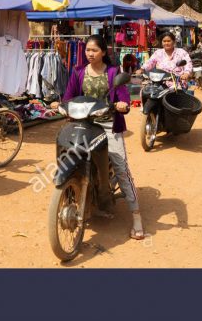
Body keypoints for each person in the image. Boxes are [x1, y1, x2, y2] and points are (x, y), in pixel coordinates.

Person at [52, 35, 143, 240]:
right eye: (87, 50)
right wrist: (60, 105)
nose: (90, 54)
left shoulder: (113, 72)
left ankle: (136, 216)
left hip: (108, 124)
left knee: (121, 167)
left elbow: (123, 95)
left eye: (94, 50)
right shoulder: (78, 72)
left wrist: (123, 104)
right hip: (82, 122)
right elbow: (69, 96)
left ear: (103, 52)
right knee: (66, 153)